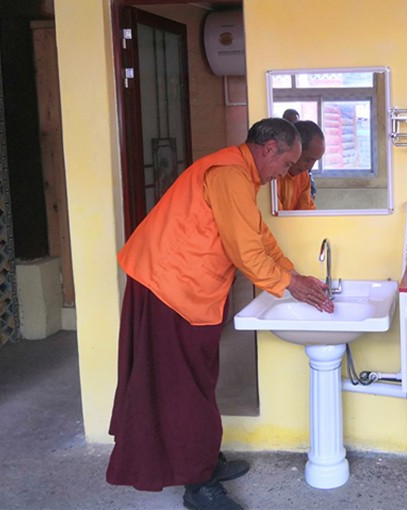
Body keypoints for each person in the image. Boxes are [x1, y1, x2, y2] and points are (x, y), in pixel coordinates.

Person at [106, 118, 332, 510]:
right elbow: (246, 251)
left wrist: (293, 274)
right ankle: (198, 483)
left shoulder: (241, 176)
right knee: (182, 390)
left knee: (198, 380)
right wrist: (290, 285)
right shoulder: (229, 175)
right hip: (167, 287)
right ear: (269, 149)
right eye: (287, 163)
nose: (287, 173)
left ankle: (204, 458)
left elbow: (259, 236)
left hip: (187, 289)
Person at [277, 120, 325, 211]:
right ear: (295, 149)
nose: (310, 167)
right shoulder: (272, 175)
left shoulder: (303, 176)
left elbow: (306, 212)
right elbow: (274, 216)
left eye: (315, 161)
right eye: (307, 160)